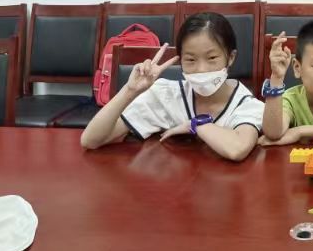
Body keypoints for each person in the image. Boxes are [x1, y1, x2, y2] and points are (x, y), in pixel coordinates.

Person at [81, 12, 263, 161]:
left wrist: (195, 125)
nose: (201, 69)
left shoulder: (246, 104)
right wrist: (129, 91)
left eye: (212, 58)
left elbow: (237, 149)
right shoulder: (164, 95)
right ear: (180, 60)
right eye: (190, 60)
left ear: (230, 58)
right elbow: (91, 140)